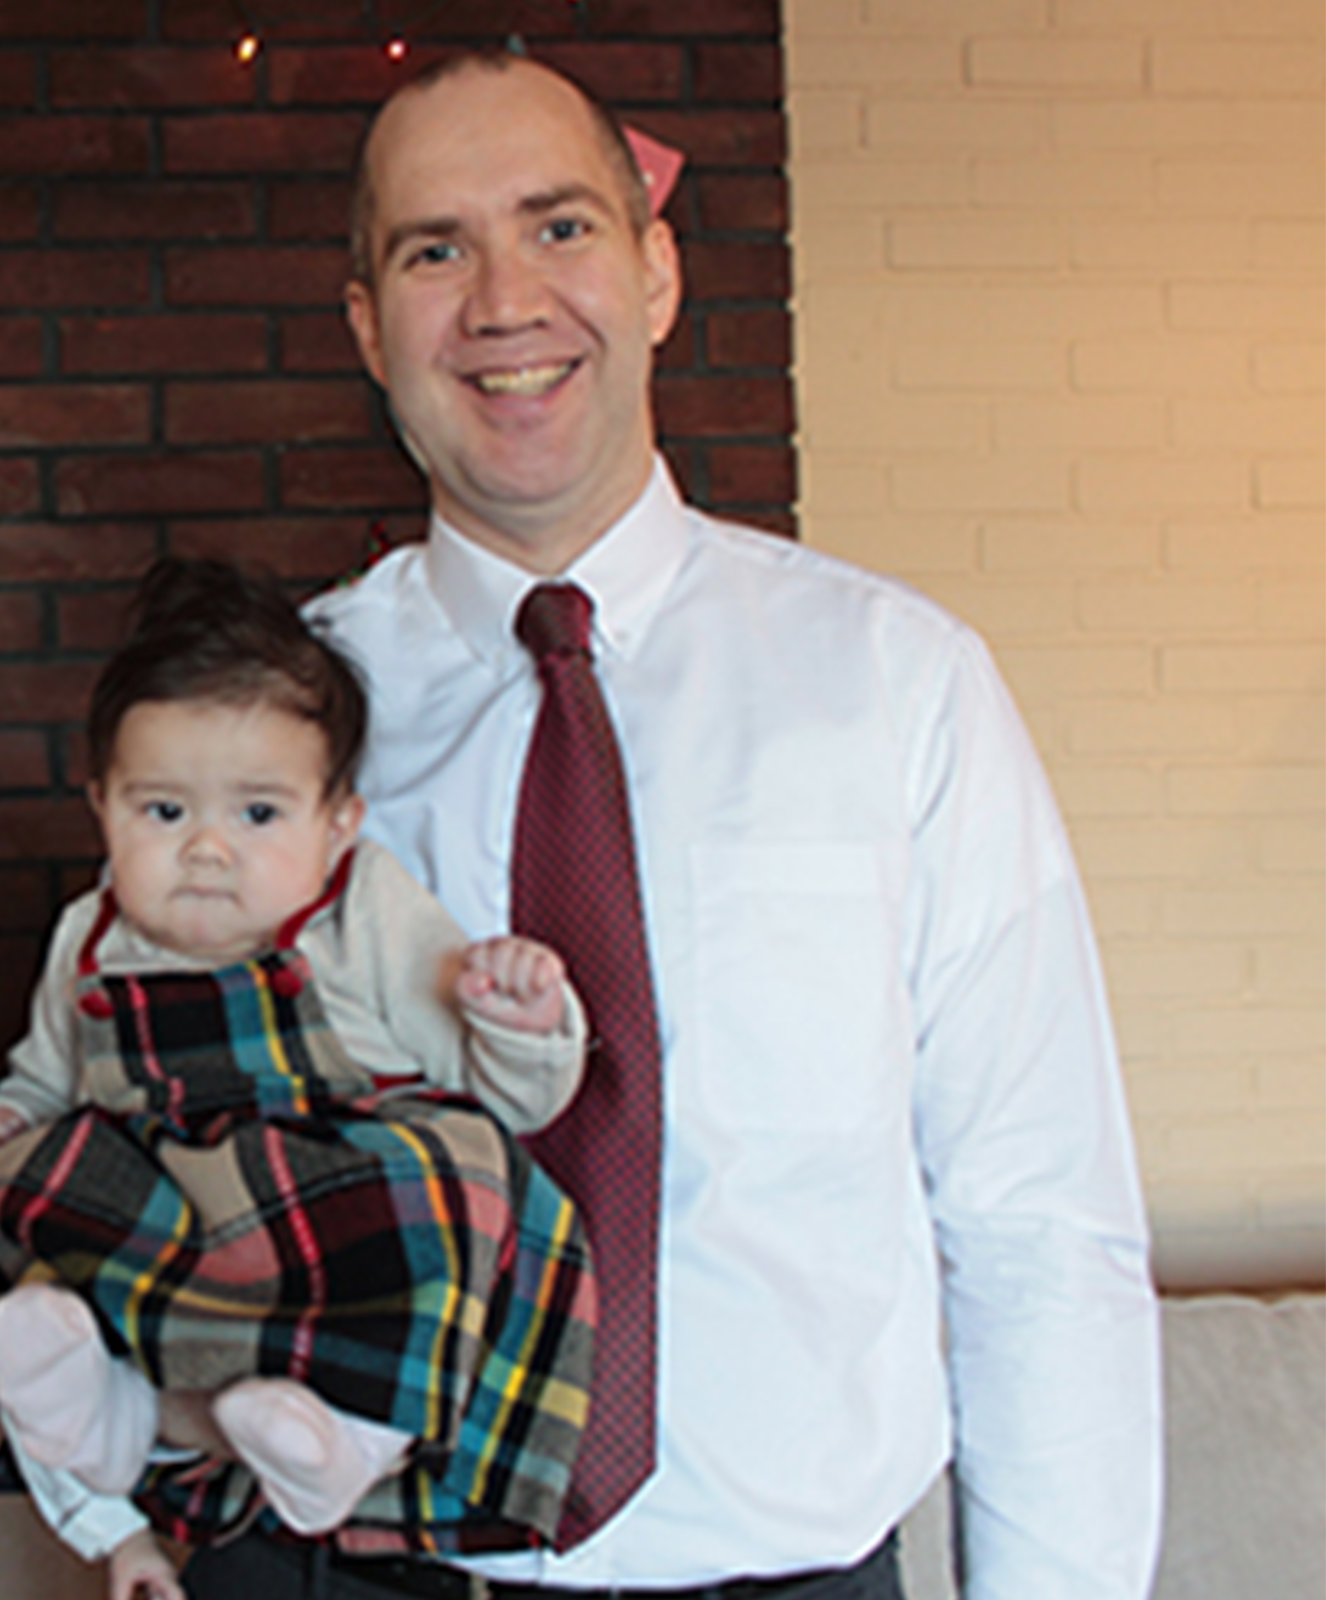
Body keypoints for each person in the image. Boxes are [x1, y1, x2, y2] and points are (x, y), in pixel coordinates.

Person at [178, 48, 1162, 1600]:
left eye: (560, 227)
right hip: (354, 1570)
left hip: (795, 1573)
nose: (504, 300)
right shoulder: (261, 732)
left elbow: (1039, 1226)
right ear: (371, 327)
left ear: (656, 274)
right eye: (435, 250)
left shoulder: (900, 687)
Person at [0, 558, 599, 1597]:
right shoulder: (91, 937)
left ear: (337, 822)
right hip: (170, 1223)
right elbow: (42, 1079)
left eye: (257, 816)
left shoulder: (364, 911)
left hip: (333, 1219)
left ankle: (346, 1431)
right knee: (16, 1187)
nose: (206, 850)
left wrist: (520, 1021)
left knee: (466, 1167)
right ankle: (106, 1409)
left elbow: (505, 1092)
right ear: (101, 807)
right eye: (162, 813)